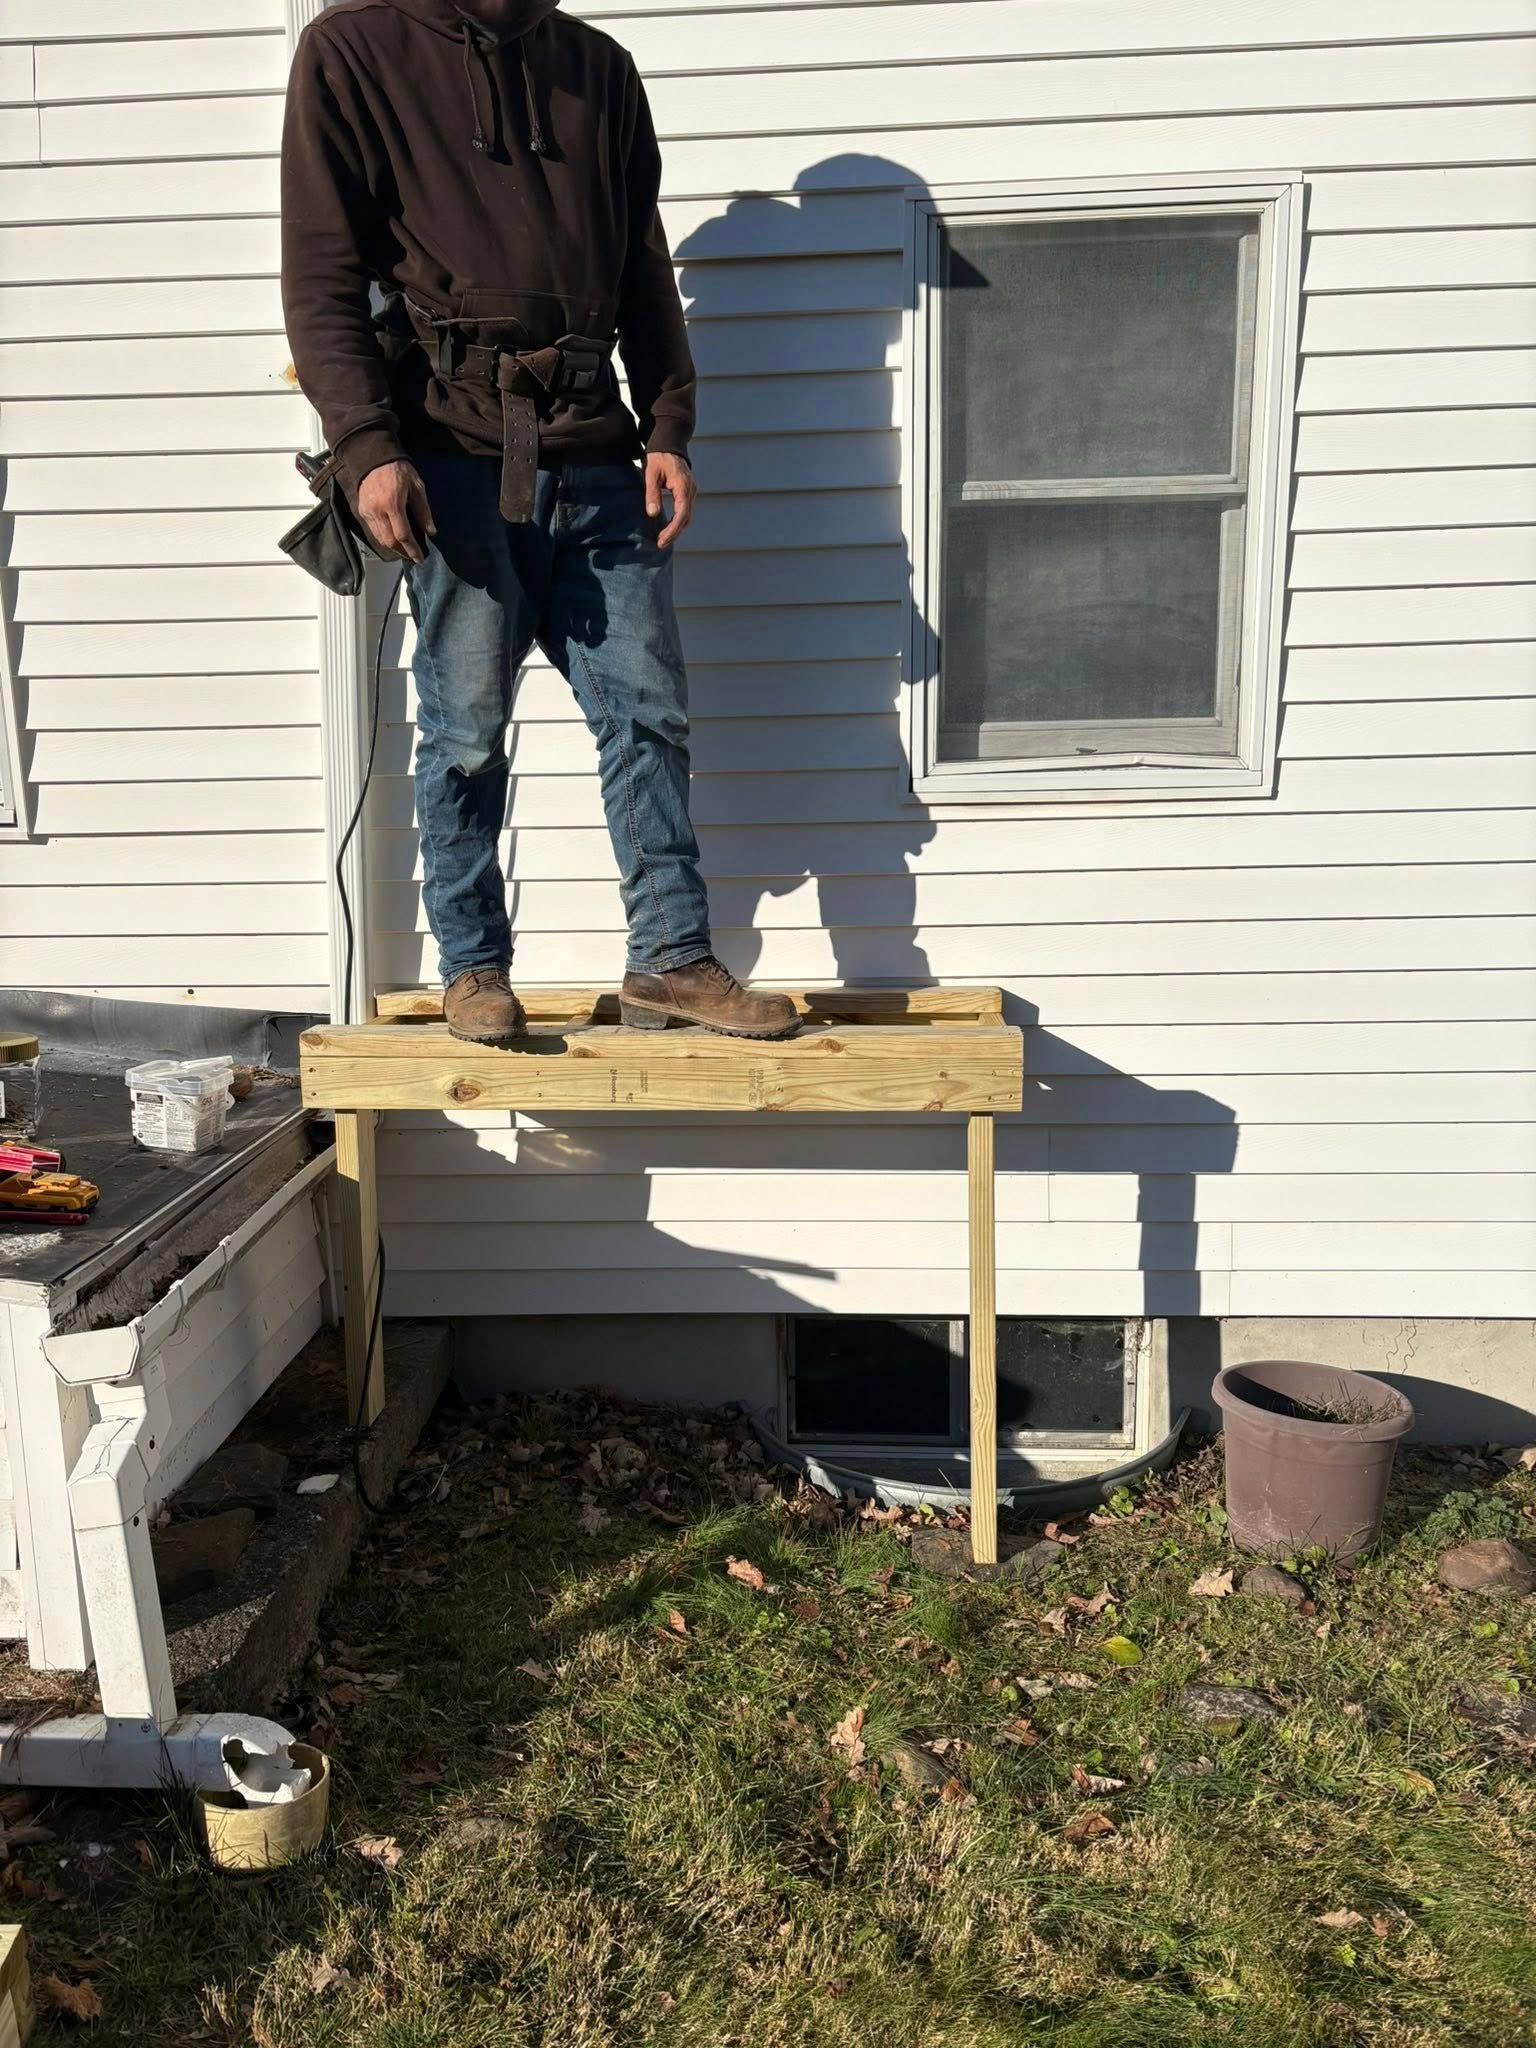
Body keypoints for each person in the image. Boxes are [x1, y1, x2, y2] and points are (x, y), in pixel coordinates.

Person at [280, 0, 797, 1044]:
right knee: (465, 734)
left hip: (596, 447)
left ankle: (671, 959)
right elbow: (322, 271)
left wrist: (669, 422)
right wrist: (367, 446)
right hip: (451, 452)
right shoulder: (354, 48)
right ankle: (474, 969)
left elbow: (641, 261)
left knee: (648, 714)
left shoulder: (597, 67)